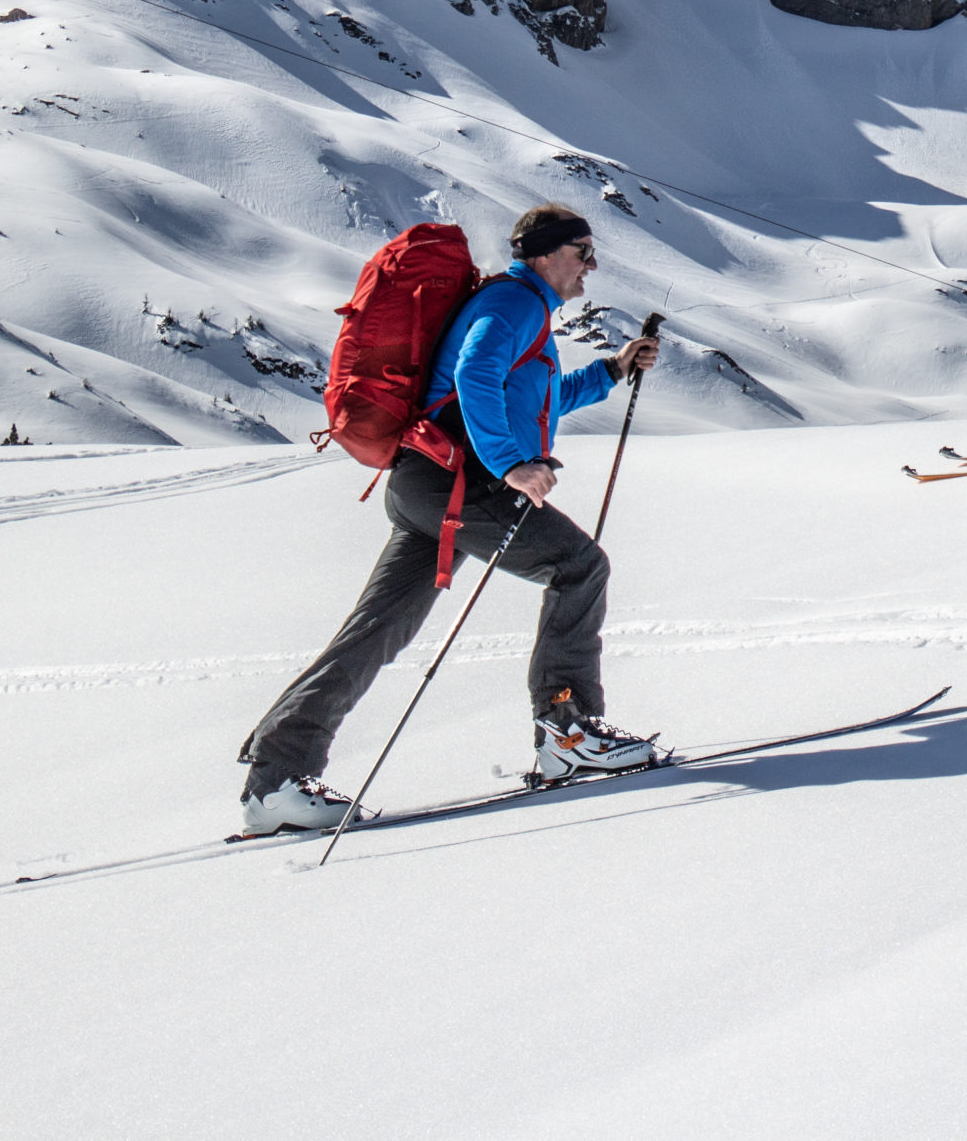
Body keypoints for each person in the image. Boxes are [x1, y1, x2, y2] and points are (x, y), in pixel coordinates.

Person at [237, 205, 662, 834]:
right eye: (582, 249)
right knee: (578, 566)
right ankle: (569, 734)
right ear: (545, 254)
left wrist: (611, 370)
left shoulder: (520, 306)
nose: (591, 264)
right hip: (462, 482)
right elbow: (476, 374)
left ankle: (274, 782)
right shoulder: (516, 302)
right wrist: (512, 465)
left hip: (425, 484)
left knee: (376, 629)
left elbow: (532, 398)